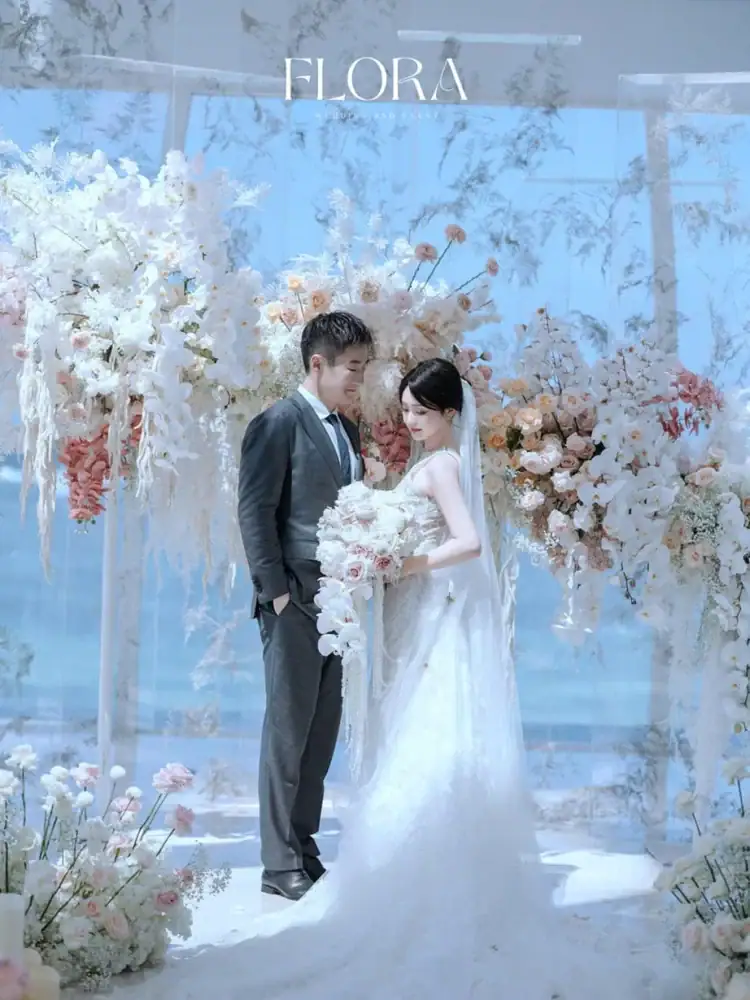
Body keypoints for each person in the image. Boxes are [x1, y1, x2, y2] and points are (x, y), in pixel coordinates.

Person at [129, 358, 686, 1000]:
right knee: (398, 727)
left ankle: (418, 870)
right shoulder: (427, 462)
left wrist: (402, 563)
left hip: (425, 610)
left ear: (450, 413)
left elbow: (469, 542)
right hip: (405, 611)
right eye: (406, 410)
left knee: (424, 730)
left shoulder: (442, 465)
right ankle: (396, 863)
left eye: (421, 411)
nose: (410, 420)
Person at [237, 310, 373, 902]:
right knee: (287, 732)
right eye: (352, 368)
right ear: (318, 364)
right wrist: (277, 593)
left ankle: (303, 847)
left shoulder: (348, 431)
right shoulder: (277, 422)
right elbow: (255, 510)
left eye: (364, 369)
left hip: (340, 603)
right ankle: (278, 863)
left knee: (320, 733)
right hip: (293, 601)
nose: (359, 380)